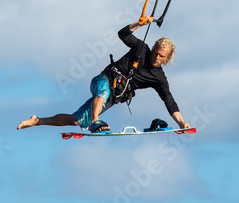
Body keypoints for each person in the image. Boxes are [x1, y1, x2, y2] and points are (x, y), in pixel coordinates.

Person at [17, 17, 191, 132]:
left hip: (114, 96)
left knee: (76, 121)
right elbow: (123, 34)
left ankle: (37, 121)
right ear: (153, 49)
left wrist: (181, 123)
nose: (156, 57)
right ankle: (95, 121)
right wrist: (139, 24)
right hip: (103, 80)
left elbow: (169, 100)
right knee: (103, 93)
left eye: (161, 56)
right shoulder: (141, 48)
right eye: (156, 52)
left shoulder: (159, 78)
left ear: (167, 59)